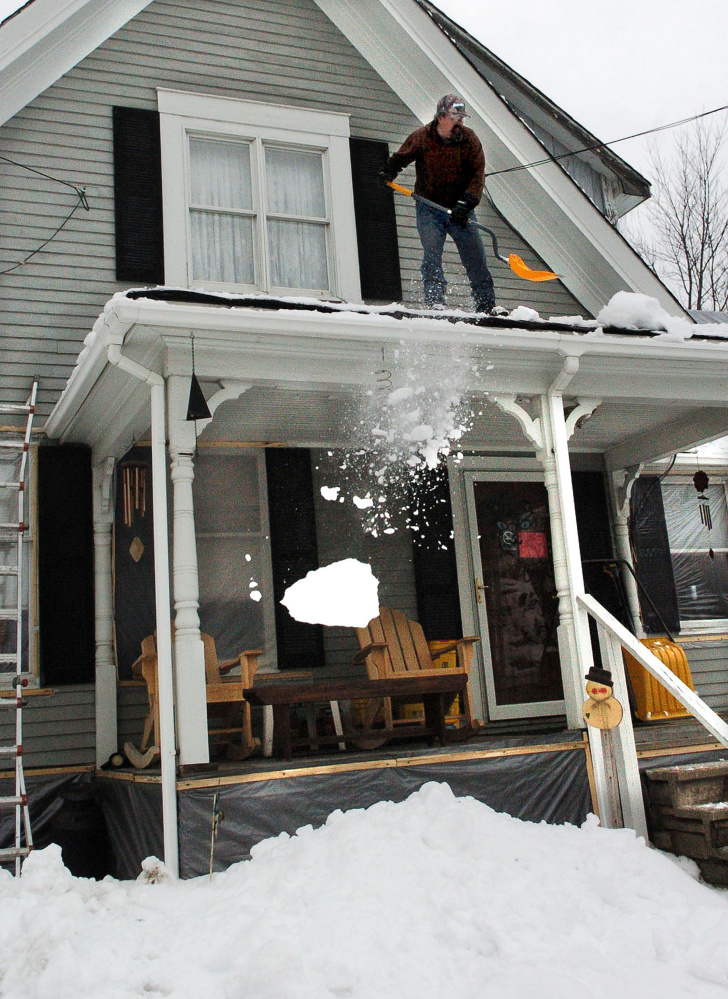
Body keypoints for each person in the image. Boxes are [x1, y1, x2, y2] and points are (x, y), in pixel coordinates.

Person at [379, 95, 504, 315]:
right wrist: (388, 172)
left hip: (460, 210)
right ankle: (435, 301)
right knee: (432, 254)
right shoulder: (422, 137)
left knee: (475, 256)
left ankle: (486, 305)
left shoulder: (469, 140)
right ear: (442, 116)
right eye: (456, 116)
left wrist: (465, 203)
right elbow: (401, 158)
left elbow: (477, 174)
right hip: (429, 208)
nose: (460, 122)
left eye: (462, 117)